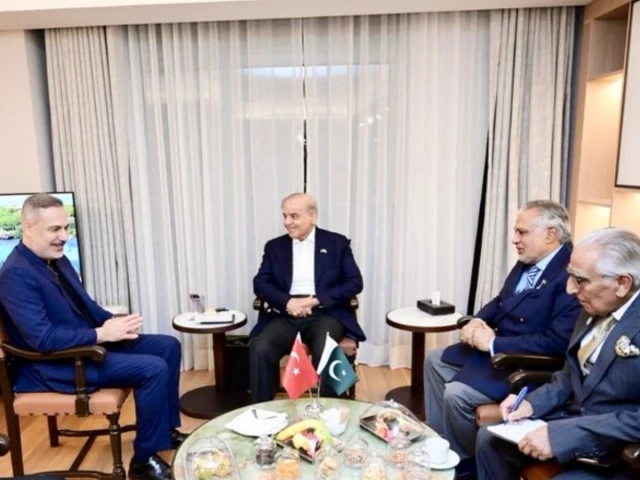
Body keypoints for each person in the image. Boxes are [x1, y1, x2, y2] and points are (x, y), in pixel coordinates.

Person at [0, 193, 186, 480]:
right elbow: (43, 340)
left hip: (82, 347)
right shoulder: (15, 275)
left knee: (168, 346)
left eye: (66, 227)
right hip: (54, 365)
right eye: (55, 229)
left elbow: (86, 306)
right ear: (28, 228)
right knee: (153, 368)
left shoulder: (56, 260)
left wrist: (114, 323)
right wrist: (102, 334)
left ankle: (163, 431)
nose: (64, 236)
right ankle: (143, 460)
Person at [424, 200, 582, 465]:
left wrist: (494, 343)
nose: (514, 240)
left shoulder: (570, 273)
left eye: (522, 232)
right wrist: (476, 321)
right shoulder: (531, 259)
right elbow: (501, 301)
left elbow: (556, 342)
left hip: (525, 362)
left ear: (550, 234)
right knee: (435, 359)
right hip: (500, 351)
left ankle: (465, 462)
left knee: (456, 394)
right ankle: (441, 441)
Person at [476, 227, 640, 480]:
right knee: (489, 440)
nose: (570, 289)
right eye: (570, 276)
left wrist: (564, 435)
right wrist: (531, 404)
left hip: (617, 452)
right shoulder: (593, 305)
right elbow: (569, 375)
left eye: (580, 280)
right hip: (570, 421)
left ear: (622, 283)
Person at [249, 193, 365, 402]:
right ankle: (261, 411)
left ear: (313, 216)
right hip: (285, 314)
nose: (287, 222)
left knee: (325, 349)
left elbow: (354, 283)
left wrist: (317, 300)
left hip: (325, 313)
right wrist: (288, 302)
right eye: (285, 216)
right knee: (260, 348)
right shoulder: (274, 247)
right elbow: (260, 284)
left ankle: (329, 409)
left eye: (294, 216)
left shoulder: (336, 243)